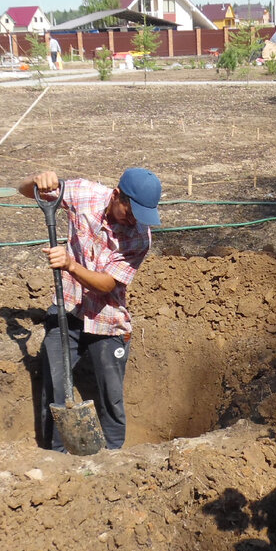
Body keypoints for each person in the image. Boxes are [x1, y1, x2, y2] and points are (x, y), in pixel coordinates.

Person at [19, 167, 161, 450]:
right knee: (57, 390)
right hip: (67, 308)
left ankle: (113, 456)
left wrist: (70, 265)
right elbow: (26, 191)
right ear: (117, 195)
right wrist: (36, 180)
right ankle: (56, 456)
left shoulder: (140, 238)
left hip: (107, 319)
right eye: (130, 211)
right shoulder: (84, 193)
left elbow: (107, 285)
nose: (134, 220)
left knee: (111, 396)